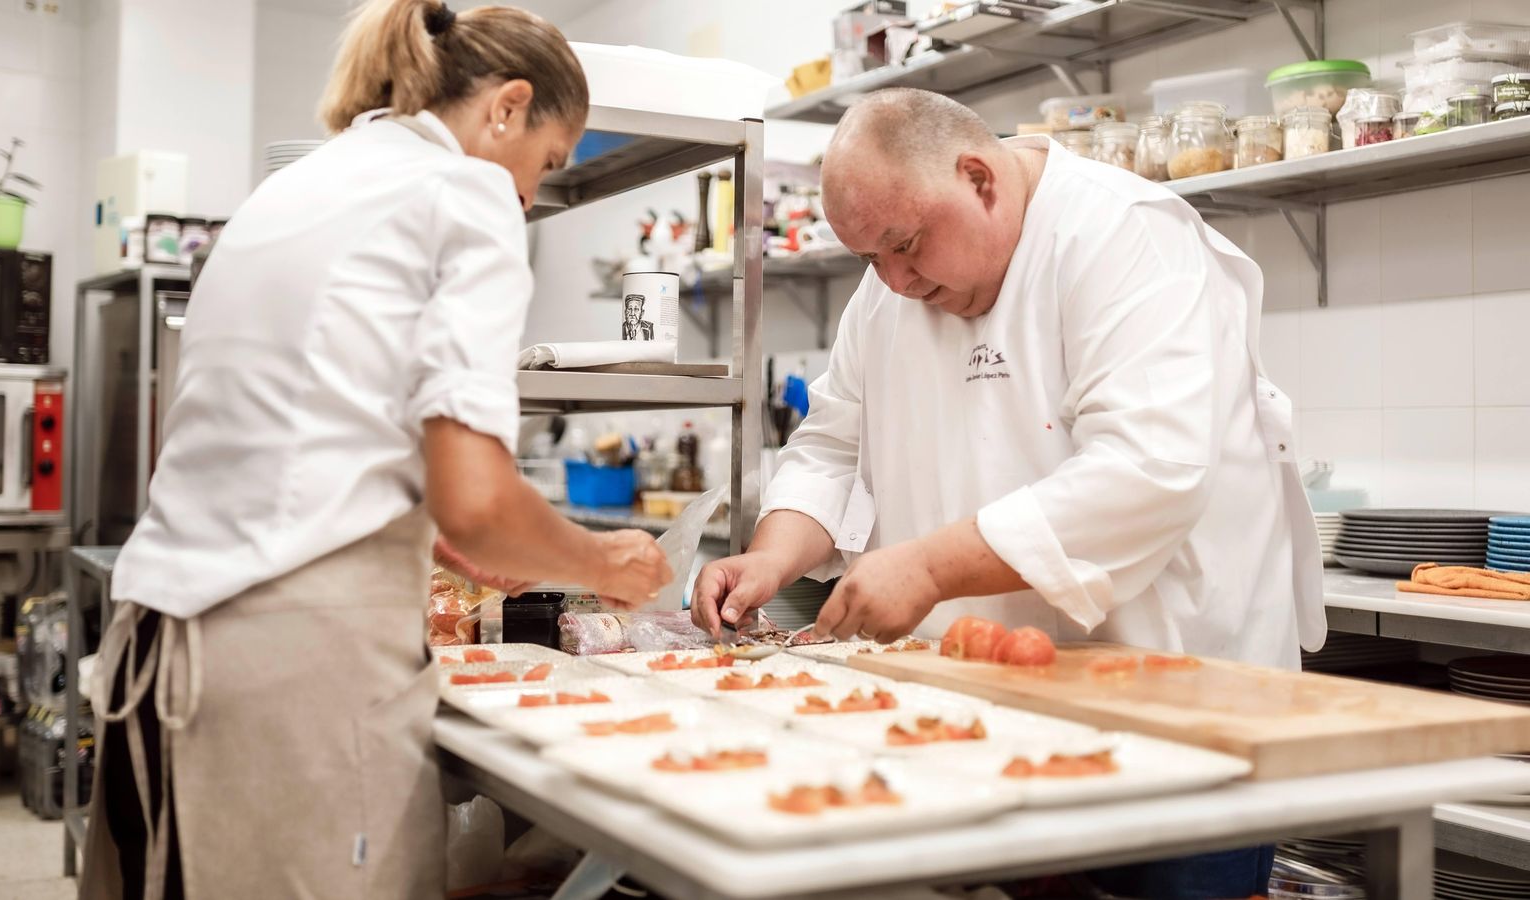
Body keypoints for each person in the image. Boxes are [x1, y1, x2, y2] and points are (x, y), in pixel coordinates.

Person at [79, 4, 671, 898]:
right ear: (508, 107)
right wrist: (605, 561)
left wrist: (427, 531)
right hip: (292, 673)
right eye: (547, 165)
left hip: (160, 655)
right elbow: (476, 499)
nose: (531, 198)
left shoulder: (306, 184)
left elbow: (307, 427)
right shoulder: (465, 196)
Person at [691, 88, 1325, 899]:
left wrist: (925, 568)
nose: (894, 280)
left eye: (906, 245)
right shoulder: (888, 290)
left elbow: (1148, 470)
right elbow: (833, 443)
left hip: (1176, 705)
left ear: (980, 178)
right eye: (869, 260)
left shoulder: (1122, 234)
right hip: (984, 706)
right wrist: (769, 558)